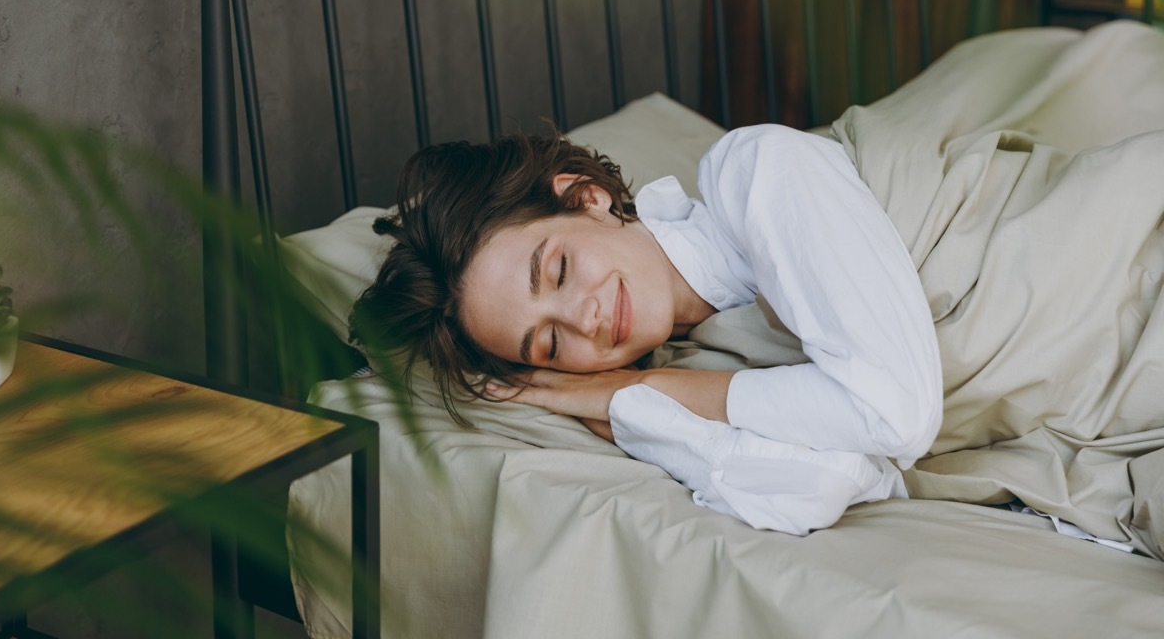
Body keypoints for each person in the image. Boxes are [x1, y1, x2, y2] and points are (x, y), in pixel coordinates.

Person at [351, 124, 943, 536]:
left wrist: (628, 392)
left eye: (558, 270)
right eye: (551, 344)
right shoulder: (691, 368)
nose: (585, 320)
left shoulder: (759, 171)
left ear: (587, 198)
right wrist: (638, 405)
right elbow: (833, 484)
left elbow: (896, 417)